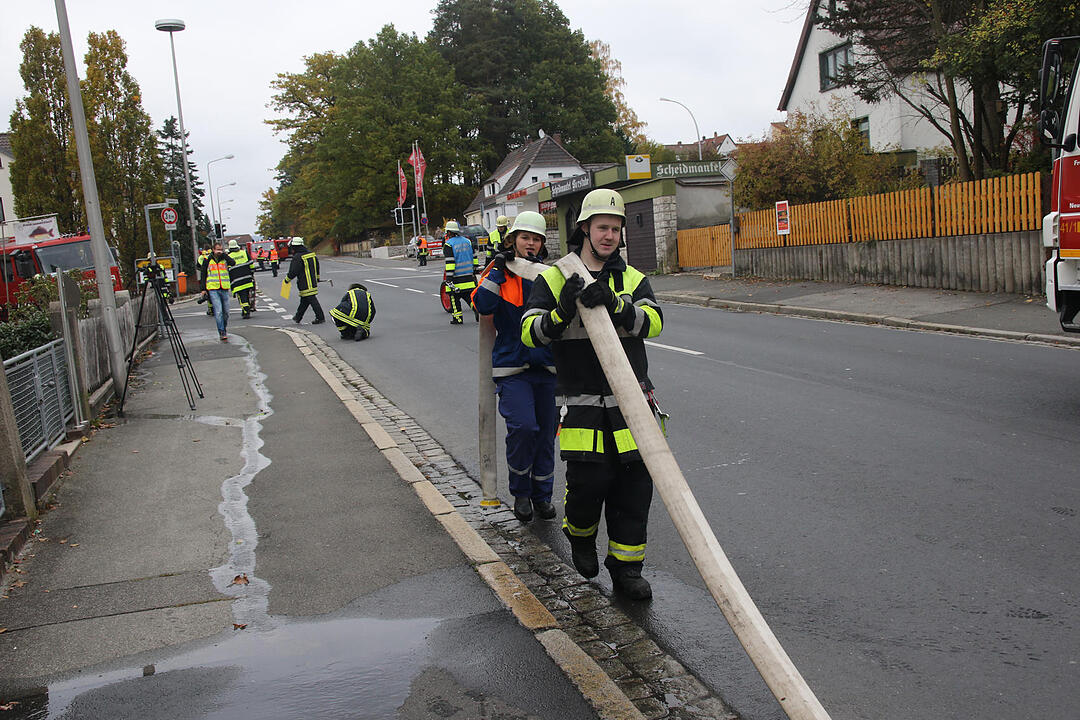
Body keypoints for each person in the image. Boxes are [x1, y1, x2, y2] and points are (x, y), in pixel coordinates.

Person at [520, 188, 664, 601]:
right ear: (584, 228)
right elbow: (530, 333)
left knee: (634, 490)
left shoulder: (632, 279)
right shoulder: (554, 277)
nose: (610, 235)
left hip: (631, 404)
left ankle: (626, 569)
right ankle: (579, 536)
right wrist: (562, 311)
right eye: (602, 227)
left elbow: (654, 323)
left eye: (616, 229)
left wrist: (618, 305)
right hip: (582, 405)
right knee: (589, 486)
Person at [472, 211, 557, 523]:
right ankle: (521, 493)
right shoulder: (499, 274)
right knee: (523, 428)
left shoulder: (549, 276)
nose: (531, 244)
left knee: (546, 434)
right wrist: (496, 270)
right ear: (513, 240)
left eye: (536, 239)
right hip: (511, 369)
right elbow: (482, 305)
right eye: (525, 238)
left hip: (547, 368)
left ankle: (542, 495)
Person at [442, 220, 479, 325]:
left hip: (455, 278)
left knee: (454, 299)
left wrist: (448, 279)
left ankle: (457, 319)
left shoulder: (449, 245)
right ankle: (477, 312)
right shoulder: (468, 242)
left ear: (449, 232)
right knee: (469, 298)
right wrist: (475, 269)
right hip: (468, 277)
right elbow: (474, 257)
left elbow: (450, 263)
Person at [200, 241, 235, 341]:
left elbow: (233, 262)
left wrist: (225, 255)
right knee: (218, 311)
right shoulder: (207, 260)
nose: (219, 252)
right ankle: (222, 331)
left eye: (221, 250)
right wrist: (203, 289)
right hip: (213, 288)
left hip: (224, 287)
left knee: (226, 312)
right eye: (217, 250)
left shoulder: (225, 259)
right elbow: (203, 274)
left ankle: (224, 327)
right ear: (213, 250)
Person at [285, 236, 325, 324]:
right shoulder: (311, 254)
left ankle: (320, 317)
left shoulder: (298, 257)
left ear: (295, 247)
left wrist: (287, 280)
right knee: (305, 300)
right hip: (312, 281)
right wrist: (317, 278)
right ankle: (298, 317)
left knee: (311, 299)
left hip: (304, 282)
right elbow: (317, 267)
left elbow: (293, 271)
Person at [226, 240, 256, 319]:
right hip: (247, 279)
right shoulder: (244, 253)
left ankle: (246, 311)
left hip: (237, 281)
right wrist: (252, 273)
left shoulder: (229, 257)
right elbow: (251, 264)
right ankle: (246, 309)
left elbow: (227, 270)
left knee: (241, 296)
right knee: (246, 294)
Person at [197, 246, 214, 315]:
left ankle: (211, 309)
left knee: (208, 293)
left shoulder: (201, 257)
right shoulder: (212, 254)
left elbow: (198, 266)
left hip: (205, 275)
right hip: (213, 275)